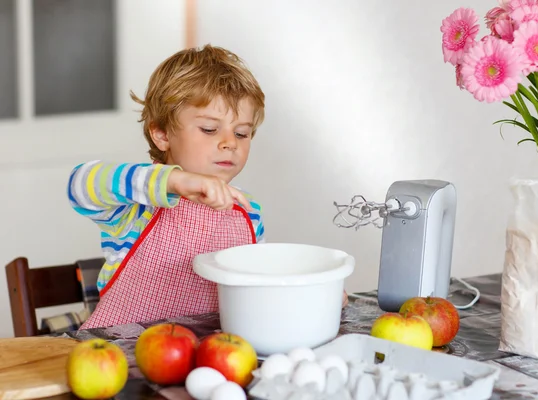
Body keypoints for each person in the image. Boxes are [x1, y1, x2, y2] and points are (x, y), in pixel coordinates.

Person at [69, 44, 347, 330]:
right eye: (210, 129)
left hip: (209, 356)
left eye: (242, 132)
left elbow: (259, 286)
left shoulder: (247, 213)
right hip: (122, 357)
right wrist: (174, 180)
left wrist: (312, 294)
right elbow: (81, 183)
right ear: (162, 134)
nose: (230, 142)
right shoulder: (138, 202)